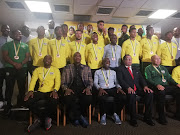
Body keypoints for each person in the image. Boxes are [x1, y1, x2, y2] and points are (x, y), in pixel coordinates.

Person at [24, 55, 60, 132]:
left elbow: (58, 82)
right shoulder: (38, 70)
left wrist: (55, 90)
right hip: (40, 91)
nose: (47, 60)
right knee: (27, 101)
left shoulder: (56, 70)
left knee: (54, 101)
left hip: (51, 91)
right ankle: (41, 119)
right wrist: (30, 91)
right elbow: (33, 81)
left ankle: (45, 118)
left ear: (51, 61)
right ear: (43, 61)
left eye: (49, 59)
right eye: (45, 59)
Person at [117, 55, 154, 127]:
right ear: (124, 61)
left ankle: (147, 117)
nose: (129, 61)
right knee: (132, 96)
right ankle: (133, 119)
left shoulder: (135, 69)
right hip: (128, 90)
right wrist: (128, 87)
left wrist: (145, 86)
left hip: (138, 89)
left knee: (149, 94)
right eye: (127, 59)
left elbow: (141, 79)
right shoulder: (120, 69)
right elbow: (121, 80)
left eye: (130, 59)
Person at [145, 55, 180, 124]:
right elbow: (148, 79)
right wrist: (156, 84)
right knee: (161, 93)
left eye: (159, 59)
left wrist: (176, 84)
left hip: (165, 86)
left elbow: (169, 78)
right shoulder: (148, 68)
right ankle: (161, 117)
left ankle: (178, 114)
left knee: (178, 91)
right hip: (155, 87)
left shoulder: (163, 68)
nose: (158, 60)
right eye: (156, 59)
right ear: (152, 60)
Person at [61, 52, 93, 128]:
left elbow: (90, 81)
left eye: (79, 56)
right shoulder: (67, 67)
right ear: (73, 58)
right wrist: (66, 89)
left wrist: (88, 88)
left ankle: (76, 117)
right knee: (67, 98)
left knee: (88, 98)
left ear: (81, 58)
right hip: (71, 88)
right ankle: (80, 117)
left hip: (83, 88)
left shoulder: (86, 68)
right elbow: (63, 82)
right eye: (75, 56)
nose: (77, 57)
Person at [2, 30, 30, 116]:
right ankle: (8, 104)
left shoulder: (25, 45)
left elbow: (27, 57)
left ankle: (21, 103)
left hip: (22, 68)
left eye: (20, 33)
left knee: (22, 87)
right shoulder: (7, 45)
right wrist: (14, 64)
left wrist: (21, 64)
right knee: (9, 87)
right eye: (17, 33)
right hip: (10, 68)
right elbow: (5, 56)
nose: (19, 35)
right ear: (13, 35)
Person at [94, 58, 126, 125]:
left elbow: (116, 82)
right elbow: (95, 83)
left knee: (123, 97)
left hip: (112, 88)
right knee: (101, 98)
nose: (107, 63)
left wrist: (119, 88)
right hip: (102, 89)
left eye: (108, 62)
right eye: (105, 61)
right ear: (102, 63)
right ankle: (103, 115)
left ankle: (115, 113)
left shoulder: (113, 72)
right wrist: (99, 88)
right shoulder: (97, 72)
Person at [0, 25, 12, 107]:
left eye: (8, 28)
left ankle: (8, 101)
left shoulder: (12, 40)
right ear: (1, 30)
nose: (6, 30)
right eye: (4, 28)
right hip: (0, 66)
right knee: (0, 84)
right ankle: (1, 100)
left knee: (9, 85)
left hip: (9, 66)